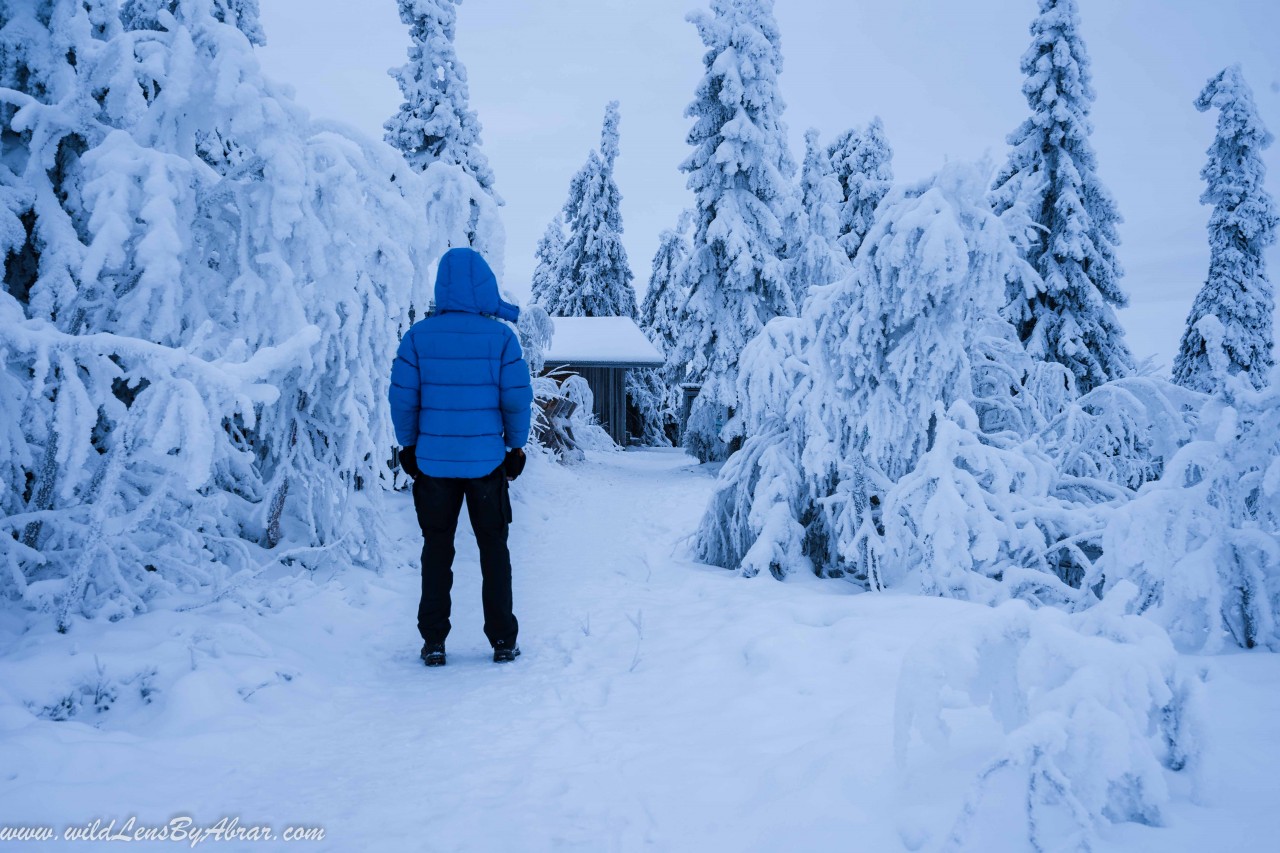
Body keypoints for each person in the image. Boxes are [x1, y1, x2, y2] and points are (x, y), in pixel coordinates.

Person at [389, 247, 533, 666]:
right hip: (487, 464)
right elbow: (516, 399)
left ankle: (433, 641)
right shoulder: (502, 338)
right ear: (485, 287)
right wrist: (516, 447)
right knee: (494, 550)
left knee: (436, 549)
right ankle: (503, 640)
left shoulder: (417, 337)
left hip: (433, 463)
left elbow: (402, 399)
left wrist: (409, 446)